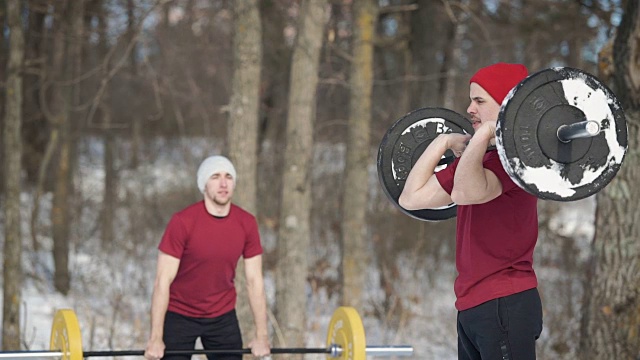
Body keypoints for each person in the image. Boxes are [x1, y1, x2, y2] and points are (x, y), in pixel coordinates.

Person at [398, 63, 543, 360]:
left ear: (506, 105)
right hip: (471, 305)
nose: (469, 108)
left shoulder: (515, 162)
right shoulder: (478, 161)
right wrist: (444, 142)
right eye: (470, 100)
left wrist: (487, 133)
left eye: (480, 101)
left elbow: (465, 192)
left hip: (506, 300)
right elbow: (410, 198)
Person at [144, 155, 271, 360]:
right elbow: (162, 282)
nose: (223, 183)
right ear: (204, 184)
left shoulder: (246, 223)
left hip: (222, 315)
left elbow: (255, 281)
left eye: (228, 177)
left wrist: (262, 336)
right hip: (180, 313)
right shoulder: (183, 222)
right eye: (215, 176)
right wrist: (156, 338)